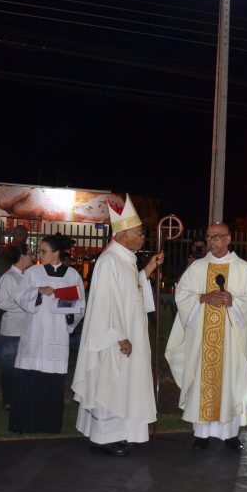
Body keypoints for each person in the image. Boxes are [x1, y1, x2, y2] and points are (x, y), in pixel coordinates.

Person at [72, 195, 162, 456]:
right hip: (115, 338)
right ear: (122, 234)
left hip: (131, 334)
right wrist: (118, 336)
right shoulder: (109, 261)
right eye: (139, 232)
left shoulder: (127, 260)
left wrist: (147, 271)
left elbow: (132, 294)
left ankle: (124, 433)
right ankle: (104, 439)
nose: (143, 236)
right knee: (112, 382)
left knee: (127, 384)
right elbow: (103, 305)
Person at [166, 222, 247, 452]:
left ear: (229, 239)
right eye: (209, 237)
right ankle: (201, 435)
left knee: (230, 382)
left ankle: (230, 435)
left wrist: (234, 302)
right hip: (202, 341)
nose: (212, 241)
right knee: (203, 382)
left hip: (231, 342)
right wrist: (202, 298)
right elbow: (182, 294)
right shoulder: (198, 268)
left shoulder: (243, 269)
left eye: (218, 237)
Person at [10, 233, 84, 434]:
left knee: (51, 383)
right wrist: (39, 293)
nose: (39, 255)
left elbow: (79, 306)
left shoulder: (72, 276)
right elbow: (19, 297)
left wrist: (69, 312)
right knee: (29, 379)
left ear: (56, 253)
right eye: (39, 251)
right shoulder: (33, 272)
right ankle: (24, 424)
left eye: (43, 251)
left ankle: (49, 425)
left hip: (57, 334)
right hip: (35, 332)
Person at [0, 244, 34, 412]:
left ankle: (19, 396)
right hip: (12, 330)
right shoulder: (9, 277)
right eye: (30, 253)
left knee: (21, 366)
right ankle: (8, 400)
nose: (33, 256)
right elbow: (2, 302)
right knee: (10, 366)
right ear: (22, 256)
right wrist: (25, 305)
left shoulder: (26, 277)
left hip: (24, 328)